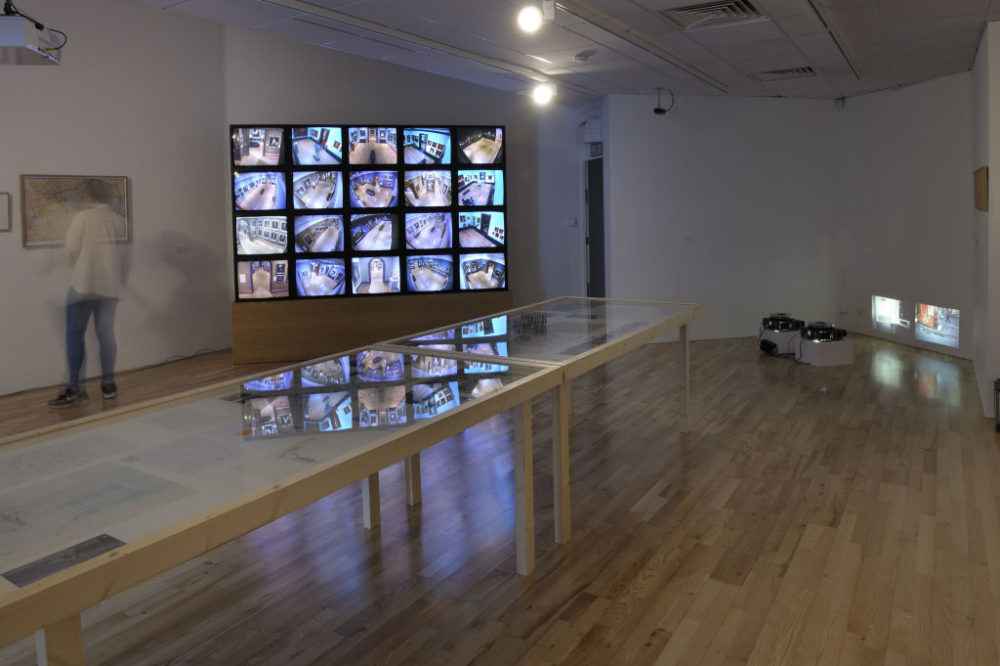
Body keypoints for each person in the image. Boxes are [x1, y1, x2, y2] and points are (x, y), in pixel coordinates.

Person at [48, 179, 124, 407]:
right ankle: (108, 384)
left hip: (84, 284)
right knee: (106, 334)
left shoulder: (83, 218)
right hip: (109, 287)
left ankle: (75, 389)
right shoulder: (118, 220)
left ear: (89, 196)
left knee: (74, 335)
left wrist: (80, 264)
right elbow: (123, 253)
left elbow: (71, 249)